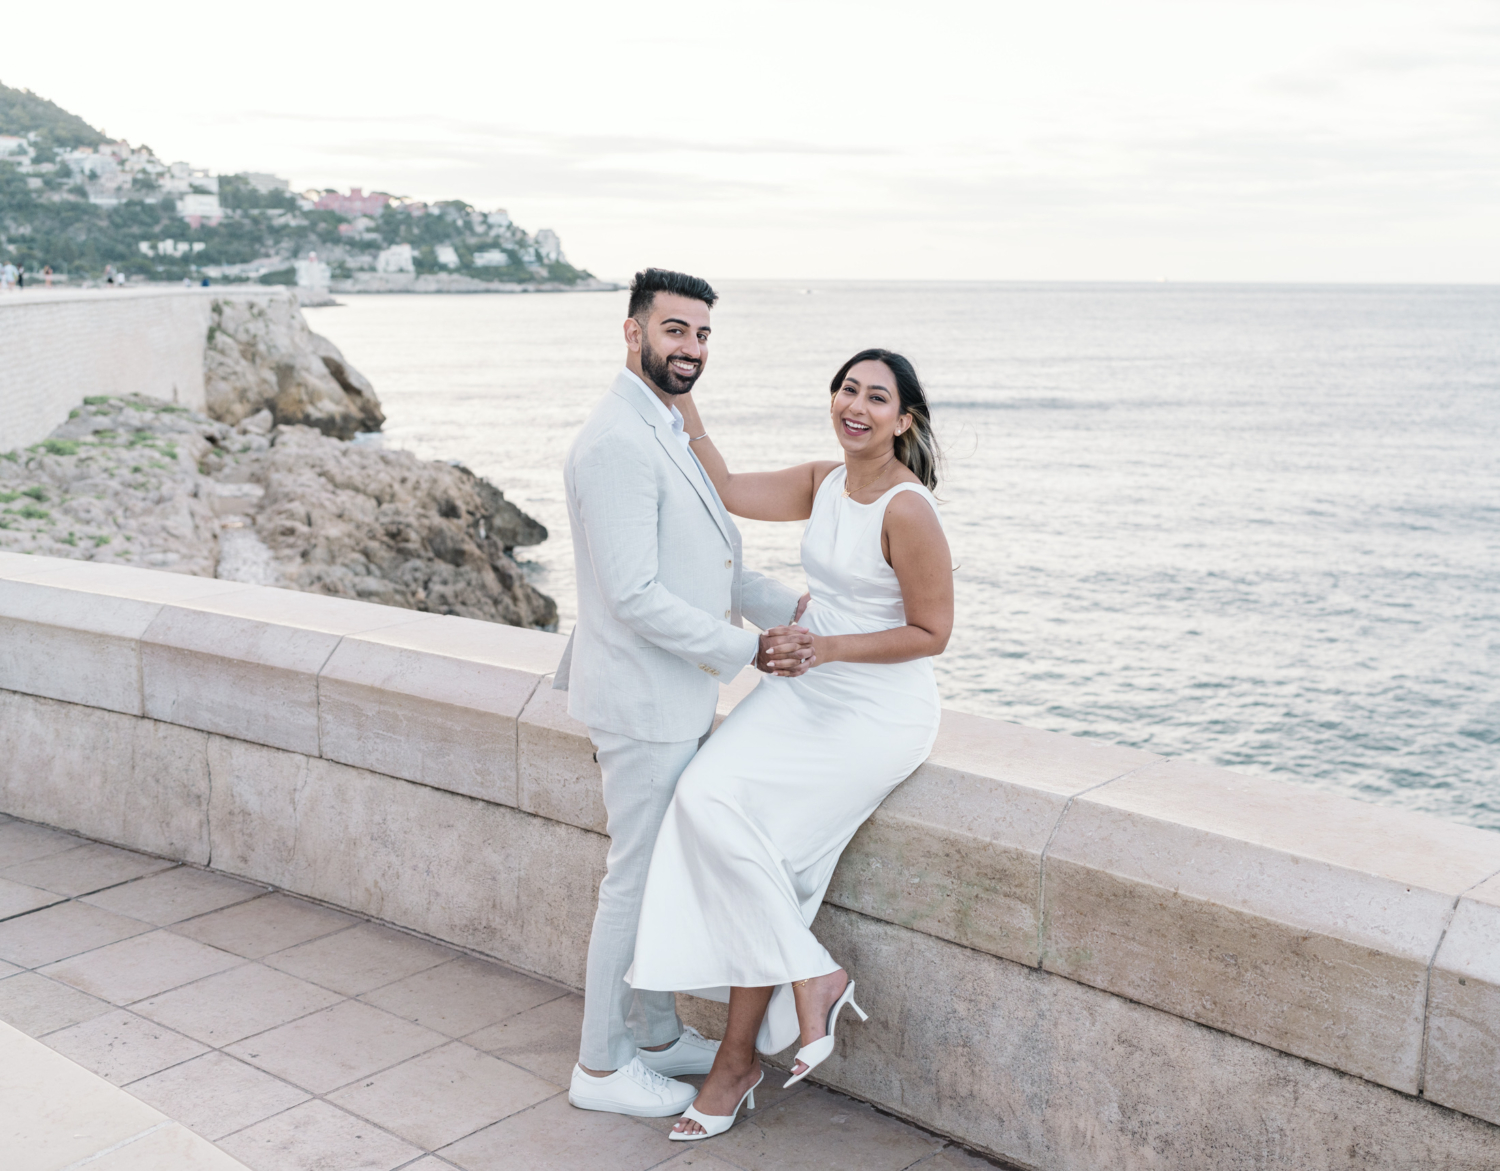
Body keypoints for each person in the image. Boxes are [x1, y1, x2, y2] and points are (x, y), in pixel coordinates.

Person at [628, 347, 953, 1141]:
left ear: (903, 420)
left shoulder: (907, 510)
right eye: (848, 389)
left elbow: (933, 632)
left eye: (878, 397)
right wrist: (680, 400)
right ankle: (814, 971)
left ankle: (735, 1062)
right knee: (702, 796)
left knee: (762, 850)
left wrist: (827, 648)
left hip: (876, 709)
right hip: (804, 688)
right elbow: (729, 488)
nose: (857, 405)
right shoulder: (824, 479)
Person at [554, 268, 816, 1119]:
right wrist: (751, 649)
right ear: (632, 333)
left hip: (674, 696)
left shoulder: (665, 425)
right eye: (674, 331)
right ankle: (599, 1063)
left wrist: (805, 613)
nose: (690, 349)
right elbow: (634, 594)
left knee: (660, 873)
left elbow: (714, 564)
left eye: (701, 335)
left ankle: (657, 1037)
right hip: (640, 703)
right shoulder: (615, 441)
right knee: (631, 879)